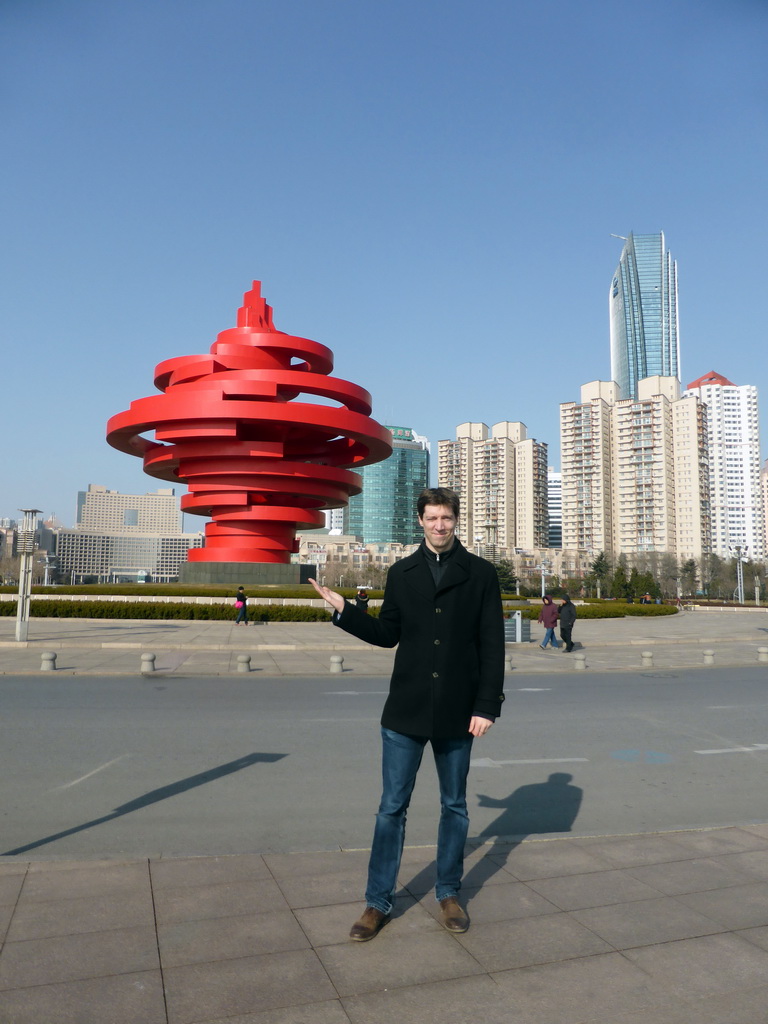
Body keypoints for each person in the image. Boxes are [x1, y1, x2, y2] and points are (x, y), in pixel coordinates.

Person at [309, 487, 504, 942]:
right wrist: (345, 612)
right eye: (432, 517)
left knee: (454, 806)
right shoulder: (402, 572)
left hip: (459, 712)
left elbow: (492, 646)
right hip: (405, 710)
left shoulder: (479, 574)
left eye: (447, 518)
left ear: (456, 520)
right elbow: (386, 634)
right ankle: (377, 903)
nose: (440, 525)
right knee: (390, 809)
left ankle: (449, 893)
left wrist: (486, 706)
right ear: (420, 520)